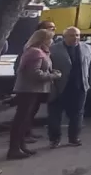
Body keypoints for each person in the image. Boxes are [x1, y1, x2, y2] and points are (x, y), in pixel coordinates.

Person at [8, 29, 60, 160]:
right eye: (50, 38)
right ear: (43, 39)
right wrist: (53, 75)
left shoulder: (38, 51)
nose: (52, 41)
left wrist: (50, 70)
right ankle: (14, 149)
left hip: (32, 90)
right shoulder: (35, 53)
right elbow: (35, 73)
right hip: (29, 90)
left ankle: (21, 146)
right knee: (21, 119)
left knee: (24, 119)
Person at [47, 27, 91, 148]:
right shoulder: (53, 49)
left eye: (77, 35)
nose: (75, 38)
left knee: (77, 114)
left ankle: (74, 138)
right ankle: (55, 139)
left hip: (79, 86)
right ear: (64, 37)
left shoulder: (88, 48)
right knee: (55, 114)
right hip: (59, 87)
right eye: (72, 35)